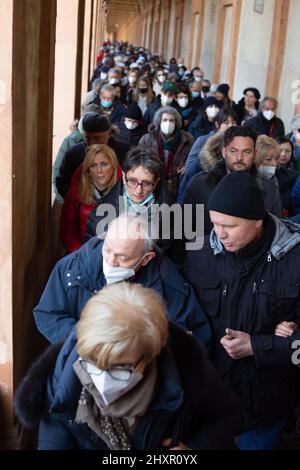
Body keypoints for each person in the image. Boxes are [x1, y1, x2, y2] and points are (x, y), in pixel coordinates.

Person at [15, 282, 244, 450]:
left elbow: (229, 416)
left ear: (152, 353)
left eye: (121, 368)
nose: (102, 380)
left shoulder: (189, 370)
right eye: (92, 364)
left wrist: (195, 448)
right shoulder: (60, 381)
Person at [183, 171, 300, 450]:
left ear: (258, 220)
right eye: (215, 223)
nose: (219, 233)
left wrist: (258, 346)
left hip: (266, 409)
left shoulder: (295, 261)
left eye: (230, 225)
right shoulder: (198, 253)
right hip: (208, 405)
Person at [33, 214, 211, 346]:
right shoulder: (71, 268)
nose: (111, 261)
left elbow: (195, 334)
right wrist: (87, 339)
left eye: (123, 258)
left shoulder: (169, 281)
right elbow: (49, 314)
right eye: (108, 249)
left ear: (146, 258)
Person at [181, 126, 281, 236]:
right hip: (204, 249)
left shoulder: (269, 190)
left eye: (246, 152)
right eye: (233, 151)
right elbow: (181, 227)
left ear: (255, 154)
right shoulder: (199, 184)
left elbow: (274, 232)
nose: (239, 157)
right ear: (224, 152)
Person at [59, 144, 120, 253]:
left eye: (104, 164)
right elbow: (67, 233)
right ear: (88, 170)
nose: (99, 170)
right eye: (93, 165)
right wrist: (83, 255)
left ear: (113, 167)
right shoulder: (75, 194)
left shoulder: (127, 193)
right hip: (84, 255)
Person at [55, 113, 129, 200]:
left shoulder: (125, 152)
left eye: (98, 138)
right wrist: (77, 200)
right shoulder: (73, 154)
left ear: (109, 134)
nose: (92, 143)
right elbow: (62, 182)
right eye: (88, 138)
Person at [139, 106, 193, 204]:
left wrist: (187, 166)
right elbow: (139, 160)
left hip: (177, 185)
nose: (168, 123)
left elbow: (193, 159)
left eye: (171, 120)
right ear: (159, 121)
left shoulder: (187, 140)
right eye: (165, 120)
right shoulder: (147, 139)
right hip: (154, 185)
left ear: (176, 123)